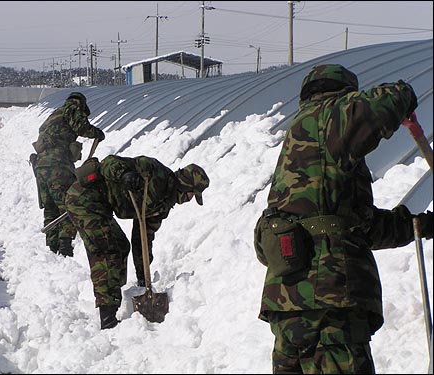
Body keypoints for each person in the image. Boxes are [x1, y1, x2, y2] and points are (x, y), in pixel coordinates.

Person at [253, 64, 433, 374]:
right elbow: (385, 102)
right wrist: (405, 97)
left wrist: (421, 224)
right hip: (328, 302)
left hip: (292, 305)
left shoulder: (310, 149)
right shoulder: (325, 118)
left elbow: (359, 228)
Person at [64, 154, 209, 329]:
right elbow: (109, 162)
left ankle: (115, 296)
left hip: (101, 207)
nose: (190, 199)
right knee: (107, 251)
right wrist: (124, 174)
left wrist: (143, 278)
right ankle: (108, 315)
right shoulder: (154, 171)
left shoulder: (163, 205)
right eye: (192, 194)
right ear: (186, 186)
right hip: (84, 200)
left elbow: (143, 239)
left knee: (121, 245)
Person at [30, 92, 105, 257]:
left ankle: (52, 246)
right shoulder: (72, 107)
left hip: (41, 166)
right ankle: (64, 247)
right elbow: (81, 127)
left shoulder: (54, 115)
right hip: (58, 165)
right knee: (67, 204)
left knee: (50, 205)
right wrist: (97, 133)